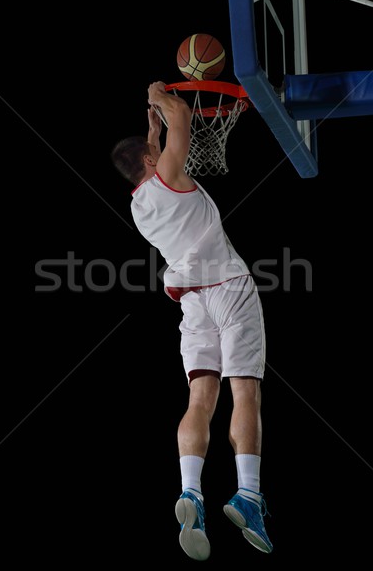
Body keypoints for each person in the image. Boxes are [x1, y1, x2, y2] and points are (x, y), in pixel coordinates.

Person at [111, 81, 273, 560]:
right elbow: (182, 113)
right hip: (228, 289)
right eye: (154, 150)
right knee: (245, 391)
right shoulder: (167, 177)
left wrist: (151, 129)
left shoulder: (140, 206)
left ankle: (191, 494)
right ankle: (249, 492)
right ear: (149, 161)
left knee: (200, 398)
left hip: (193, 305)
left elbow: (158, 145)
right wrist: (159, 94)